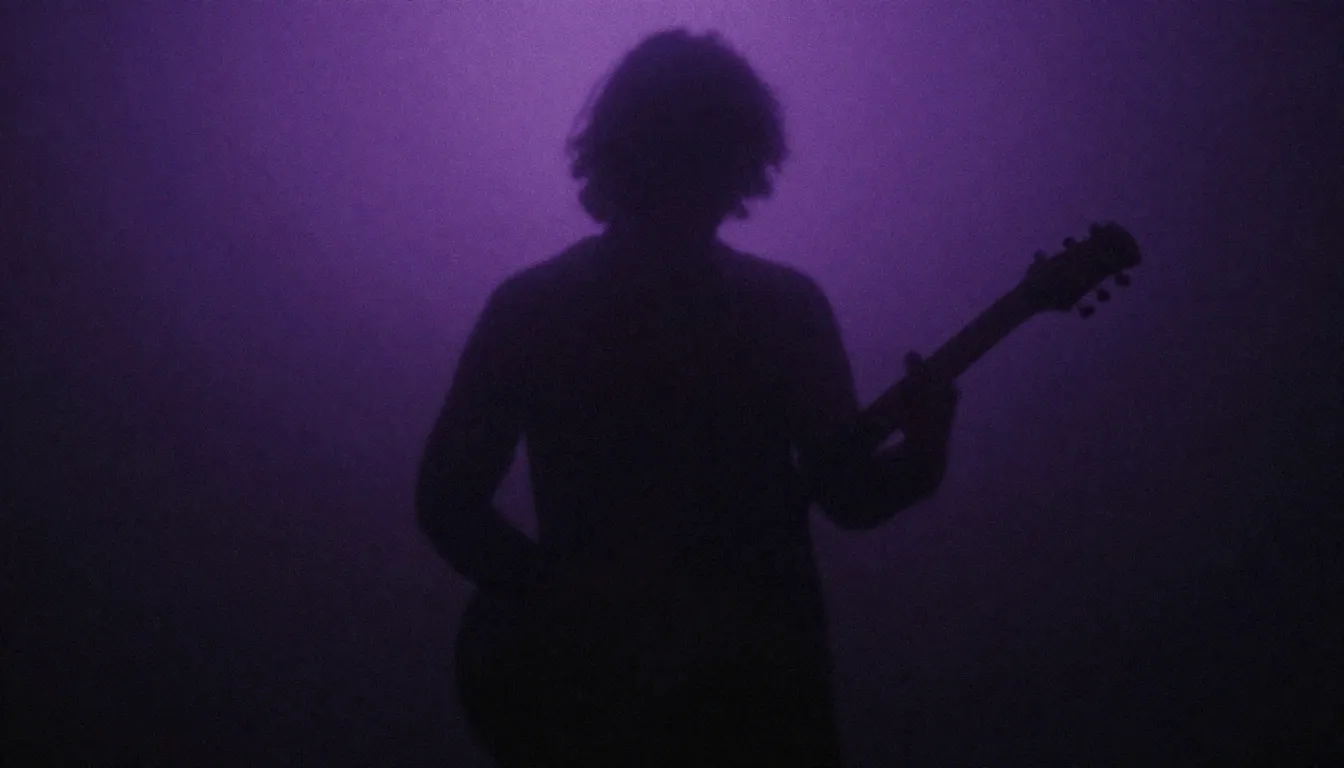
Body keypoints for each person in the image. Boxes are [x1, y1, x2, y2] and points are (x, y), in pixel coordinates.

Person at [416, 28, 958, 768]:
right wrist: (925, 451)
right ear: (745, 159)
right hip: (760, 695)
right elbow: (851, 497)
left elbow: (447, 501)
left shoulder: (534, 307)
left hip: (640, 708)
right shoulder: (782, 308)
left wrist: (563, 601)